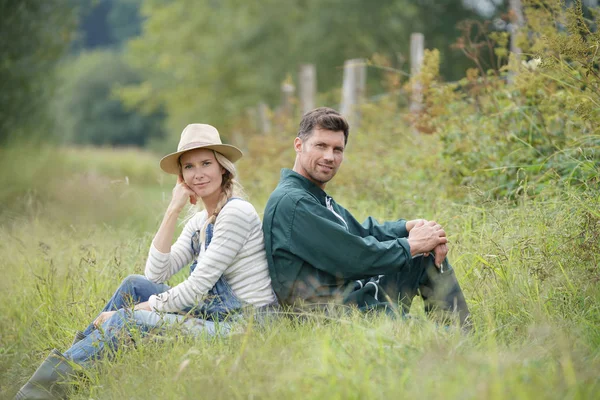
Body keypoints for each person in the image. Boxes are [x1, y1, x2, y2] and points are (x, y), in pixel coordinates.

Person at [16, 124, 276, 400]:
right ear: (182, 177)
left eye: (206, 163)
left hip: (240, 327)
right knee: (135, 285)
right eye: (189, 167)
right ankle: (70, 371)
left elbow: (197, 288)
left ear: (222, 168)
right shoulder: (201, 221)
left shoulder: (235, 213)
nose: (198, 173)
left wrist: (126, 313)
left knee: (130, 319)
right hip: (213, 313)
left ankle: (40, 392)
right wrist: (173, 209)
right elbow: (155, 274)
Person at [263, 107, 470, 325]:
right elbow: (354, 257)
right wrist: (412, 245)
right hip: (332, 316)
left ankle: (460, 331)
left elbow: (361, 232)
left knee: (424, 254)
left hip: (352, 299)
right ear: (299, 145)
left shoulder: (311, 195)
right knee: (429, 336)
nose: (329, 157)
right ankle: (455, 338)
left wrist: (411, 228)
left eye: (337, 149)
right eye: (320, 146)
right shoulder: (294, 202)